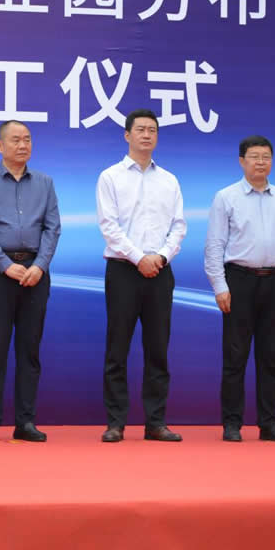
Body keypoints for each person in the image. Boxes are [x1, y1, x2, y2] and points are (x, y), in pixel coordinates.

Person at [204, 135, 275, 442]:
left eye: (266, 157)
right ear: (241, 161)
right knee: (235, 356)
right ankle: (232, 423)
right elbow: (214, 245)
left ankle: (269, 423)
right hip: (239, 281)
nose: (261, 162)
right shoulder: (226, 197)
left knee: (272, 356)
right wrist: (220, 286)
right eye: (254, 156)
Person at [96, 109, 187, 442]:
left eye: (152, 130)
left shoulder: (169, 180)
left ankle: (156, 422)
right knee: (117, 349)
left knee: (158, 349)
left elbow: (179, 226)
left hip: (160, 271)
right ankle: (115, 422)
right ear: (127, 135)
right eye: (141, 130)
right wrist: (139, 258)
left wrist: (160, 257)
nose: (147, 135)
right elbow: (109, 226)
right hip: (123, 270)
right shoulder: (110, 177)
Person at [0, 120, 61, 442]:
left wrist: (40, 266)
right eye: (15, 140)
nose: (22, 145)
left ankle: (25, 421)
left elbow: (52, 228)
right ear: (0, 146)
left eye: (27, 139)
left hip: (35, 273)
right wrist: (5, 265)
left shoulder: (45, 183)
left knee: (29, 350)